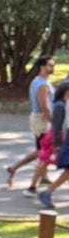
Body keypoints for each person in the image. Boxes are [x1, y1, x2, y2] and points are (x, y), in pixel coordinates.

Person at [7, 55, 55, 194]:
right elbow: (44, 107)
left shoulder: (40, 81)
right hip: (41, 119)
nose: (52, 68)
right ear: (42, 66)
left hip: (41, 119)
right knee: (43, 152)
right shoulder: (41, 85)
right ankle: (17, 172)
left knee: (42, 151)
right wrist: (53, 122)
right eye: (50, 65)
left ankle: (43, 176)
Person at [36, 79, 69, 210]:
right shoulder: (62, 105)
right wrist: (56, 144)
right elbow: (58, 126)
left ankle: (47, 192)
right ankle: (46, 192)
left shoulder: (64, 104)